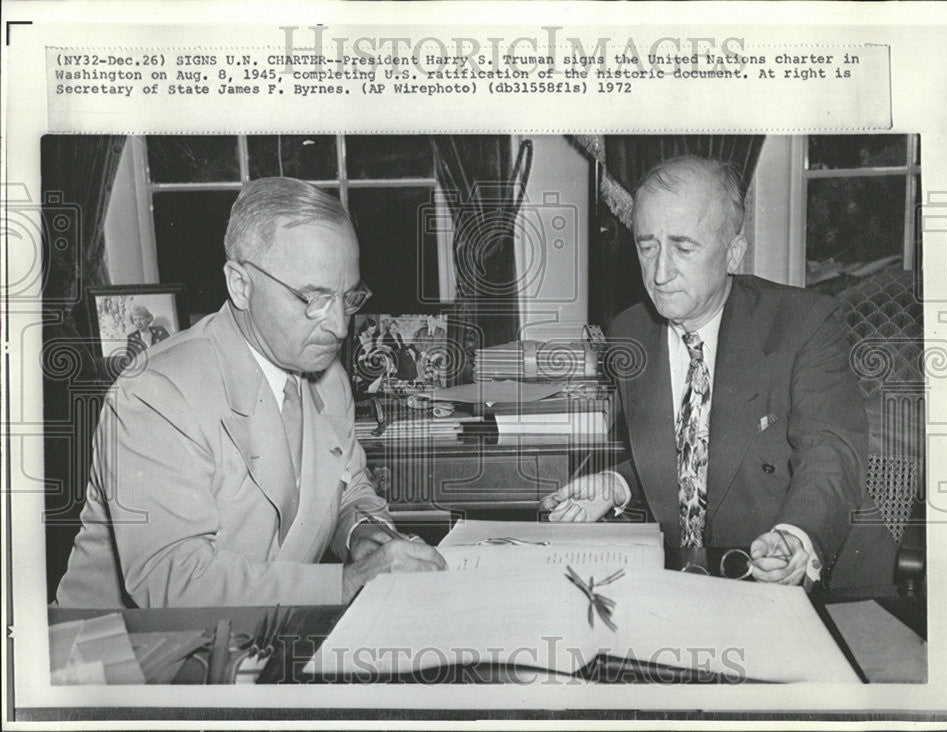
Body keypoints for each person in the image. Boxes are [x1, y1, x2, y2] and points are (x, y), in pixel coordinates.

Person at [57, 177, 446, 608]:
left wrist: (361, 531)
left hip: (255, 645)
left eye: (348, 298)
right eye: (312, 298)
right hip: (129, 658)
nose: (338, 325)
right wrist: (346, 582)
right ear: (240, 284)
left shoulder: (327, 377)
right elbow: (171, 581)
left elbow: (348, 488)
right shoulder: (154, 394)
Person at [541, 156, 869, 587]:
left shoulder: (803, 323)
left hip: (780, 581)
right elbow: (685, 455)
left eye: (683, 247)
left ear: (733, 253)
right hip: (677, 583)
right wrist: (616, 483)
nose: (659, 273)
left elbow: (831, 453)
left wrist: (797, 537)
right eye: (647, 246)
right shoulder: (630, 333)